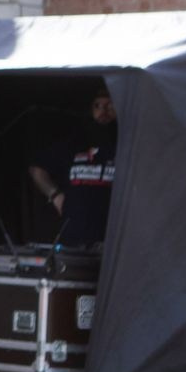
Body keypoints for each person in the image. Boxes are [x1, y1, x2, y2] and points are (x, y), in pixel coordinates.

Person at [28, 87, 118, 252]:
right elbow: (37, 169)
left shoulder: (126, 143)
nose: (103, 111)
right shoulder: (75, 141)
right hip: (74, 239)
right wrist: (55, 196)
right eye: (97, 106)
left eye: (110, 106)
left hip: (114, 239)